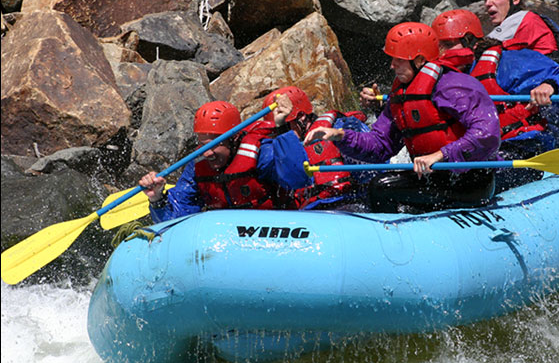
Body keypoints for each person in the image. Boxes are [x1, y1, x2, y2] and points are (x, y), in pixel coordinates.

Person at [303, 22, 500, 213]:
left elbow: (488, 134)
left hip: (470, 181)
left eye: (398, 59)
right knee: (378, 186)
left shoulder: (455, 85)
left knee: (382, 188)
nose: (392, 65)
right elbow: (380, 145)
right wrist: (339, 135)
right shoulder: (402, 95)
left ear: (420, 60)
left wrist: (441, 155)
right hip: (433, 179)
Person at [431, 8, 559, 191]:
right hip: (465, 154)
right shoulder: (437, 79)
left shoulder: (507, 63)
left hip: (520, 148)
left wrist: (550, 85)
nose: (443, 52)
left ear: (469, 41)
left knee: (470, 181)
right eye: (439, 46)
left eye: (449, 44)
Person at [138, 99, 310, 223]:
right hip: (228, 238)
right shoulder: (197, 166)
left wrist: (282, 129)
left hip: (272, 228)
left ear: (234, 139)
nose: (208, 153)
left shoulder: (260, 153)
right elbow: (176, 218)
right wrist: (157, 198)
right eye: (202, 145)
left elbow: (298, 179)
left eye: (214, 145)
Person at [259, 86, 371, 210]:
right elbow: (294, 178)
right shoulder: (276, 149)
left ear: (302, 117)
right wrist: (283, 131)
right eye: (276, 130)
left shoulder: (340, 128)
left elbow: (374, 161)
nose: (279, 135)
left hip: (348, 204)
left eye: (285, 127)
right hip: (309, 214)